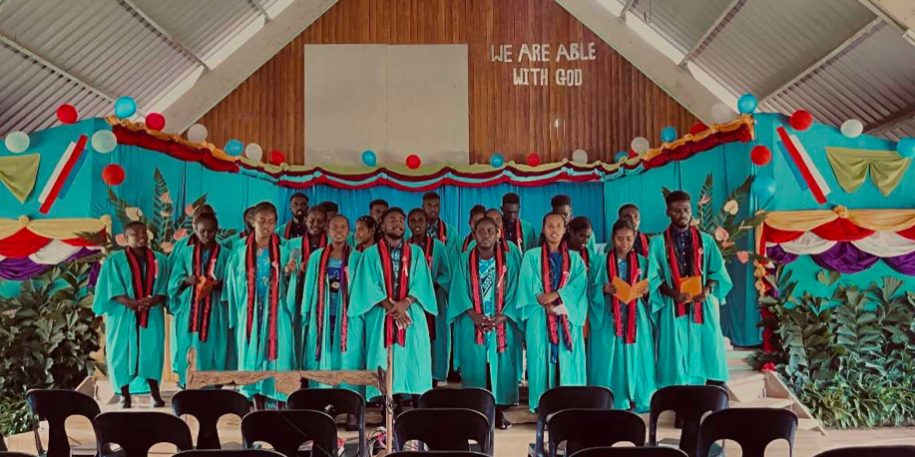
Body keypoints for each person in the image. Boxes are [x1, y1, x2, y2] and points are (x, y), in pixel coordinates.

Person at [350, 208, 436, 414]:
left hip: (411, 313)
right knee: (383, 356)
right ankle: (388, 407)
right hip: (382, 314)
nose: (397, 223)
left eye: (400, 220)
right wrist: (392, 307)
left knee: (415, 357)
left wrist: (405, 303)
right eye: (391, 220)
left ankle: (417, 405)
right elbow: (368, 285)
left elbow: (421, 281)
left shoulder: (415, 253)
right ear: (382, 225)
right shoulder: (370, 255)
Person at [647, 191, 732, 388]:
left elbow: (717, 271)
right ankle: (679, 395)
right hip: (673, 306)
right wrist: (673, 293)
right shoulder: (659, 243)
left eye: (686, 210)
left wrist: (708, 290)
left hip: (701, 305)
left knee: (709, 346)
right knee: (675, 352)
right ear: (668, 212)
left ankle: (713, 388)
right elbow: (654, 278)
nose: (682, 214)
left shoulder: (706, 241)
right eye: (677, 211)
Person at [448, 217, 520, 429]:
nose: (486, 235)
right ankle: (475, 412)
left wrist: (502, 316)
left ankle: (497, 411)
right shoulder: (464, 260)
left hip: (501, 324)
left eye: (490, 231)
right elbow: (459, 291)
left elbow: (515, 290)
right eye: (481, 231)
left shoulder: (510, 261)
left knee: (499, 368)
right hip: (472, 323)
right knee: (475, 367)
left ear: (498, 233)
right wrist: (474, 315)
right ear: (474, 233)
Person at [223, 202, 295, 406]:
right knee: (251, 353)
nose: (266, 226)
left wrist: (290, 273)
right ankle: (255, 400)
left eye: (271, 222)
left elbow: (292, 282)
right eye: (262, 221)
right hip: (251, 311)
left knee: (280, 352)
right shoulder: (239, 252)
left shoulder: (285, 249)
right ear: (252, 221)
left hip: (277, 309)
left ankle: (279, 398)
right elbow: (233, 285)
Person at [93, 221, 169, 408]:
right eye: (135, 234)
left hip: (151, 314)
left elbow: (166, 286)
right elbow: (112, 287)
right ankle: (124, 395)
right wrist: (130, 303)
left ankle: (155, 393)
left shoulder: (160, 260)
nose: (142, 236)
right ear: (126, 239)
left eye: (144, 232)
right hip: (123, 315)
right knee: (120, 353)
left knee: (152, 352)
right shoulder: (115, 261)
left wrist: (154, 300)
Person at [517, 213, 588, 411]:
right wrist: (545, 302)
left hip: (566, 316)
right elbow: (528, 284)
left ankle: (570, 407)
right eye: (550, 225)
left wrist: (556, 295)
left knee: (567, 361)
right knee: (541, 361)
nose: (554, 230)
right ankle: (543, 408)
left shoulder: (575, 259)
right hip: (540, 317)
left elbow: (579, 286)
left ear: (565, 230)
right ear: (543, 229)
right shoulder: (531, 256)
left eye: (558, 226)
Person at [297, 216, 365, 412]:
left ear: (349, 231)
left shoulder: (357, 257)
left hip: (349, 317)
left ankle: (351, 409)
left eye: (343, 227)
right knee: (322, 358)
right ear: (327, 230)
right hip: (322, 316)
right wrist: (306, 312)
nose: (339, 230)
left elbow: (361, 289)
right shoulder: (317, 257)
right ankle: (322, 406)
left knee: (349, 360)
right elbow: (309, 285)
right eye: (334, 227)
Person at [588, 219, 656, 411]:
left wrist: (645, 291)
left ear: (635, 237)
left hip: (636, 318)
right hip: (610, 317)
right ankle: (611, 397)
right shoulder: (600, 262)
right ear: (612, 238)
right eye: (620, 239)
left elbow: (652, 289)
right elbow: (590, 289)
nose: (624, 244)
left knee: (637, 356)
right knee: (609, 357)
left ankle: (637, 395)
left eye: (628, 239)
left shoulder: (643, 262)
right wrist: (604, 288)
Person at [168, 212, 231, 387]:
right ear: (195, 229)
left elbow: (232, 281)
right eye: (202, 231)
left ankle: (214, 383)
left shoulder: (225, 254)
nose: (206, 235)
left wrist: (218, 285)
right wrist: (186, 281)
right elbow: (174, 281)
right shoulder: (186, 253)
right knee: (189, 345)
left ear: (217, 230)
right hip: (190, 308)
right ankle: (188, 381)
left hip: (215, 309)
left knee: (215, 344)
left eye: (211, 231)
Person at [406, 208, 453, 385]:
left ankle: (433, 377)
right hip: (411, 302)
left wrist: (433, 284)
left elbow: (446, 273)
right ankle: (413, 377)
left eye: (420, 220)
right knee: (414, 339)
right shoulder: (405, 246)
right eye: (413, 221)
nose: (417, 224)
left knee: (437, 339)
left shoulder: (438, 247)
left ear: (427, 224)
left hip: (435, 299)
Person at [290, 206, 329, 367]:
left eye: (320, 221)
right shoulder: (293, 245)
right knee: (298, 334)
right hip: (298, 294)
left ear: (326, 223)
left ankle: (317, 371)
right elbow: (286, 271)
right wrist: (292, 271)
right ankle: (299, 372)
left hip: (322, 297)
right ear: (305, 221)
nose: (315, 224)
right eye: (311, 220)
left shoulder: (332, 244)